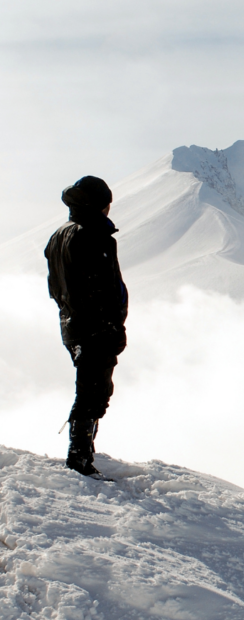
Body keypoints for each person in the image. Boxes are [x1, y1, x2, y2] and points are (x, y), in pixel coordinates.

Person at [44, 176, 128, 478]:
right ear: (98, 204)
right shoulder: (93, 236)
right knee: (93, 392)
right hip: (95, 328)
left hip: (73, 325)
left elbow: (56, 286)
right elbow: (103, 288)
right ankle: (79, 459)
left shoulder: (59, 236)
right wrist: (112, 325)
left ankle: (81, 454)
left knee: (90, 389)